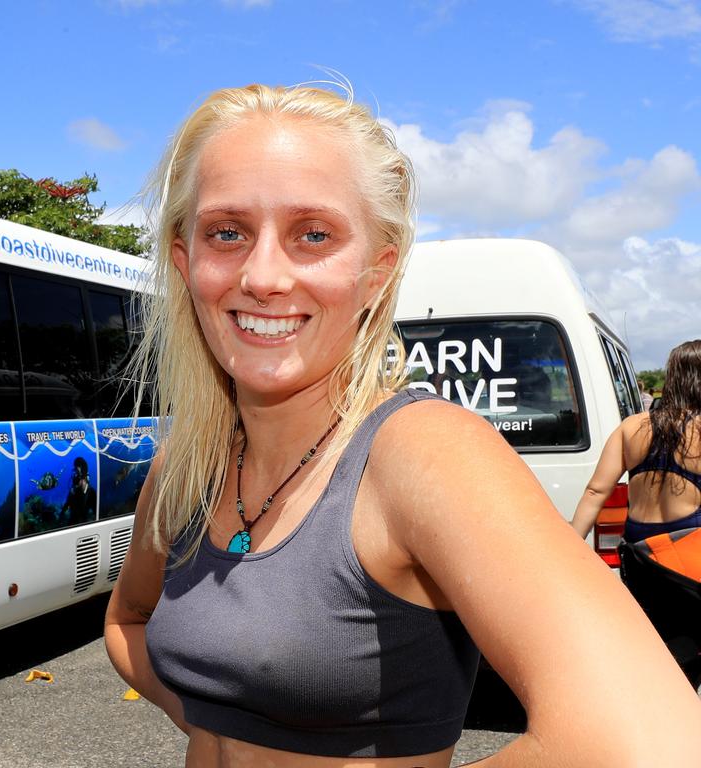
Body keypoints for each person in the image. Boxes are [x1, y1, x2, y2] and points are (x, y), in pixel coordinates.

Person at [104, 84, 701, 767]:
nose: (263, 274)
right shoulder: (187, 461)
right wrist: (223, 724)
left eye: (313, 235)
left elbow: (655, 741)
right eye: (228, 233)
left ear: (376, 274)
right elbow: (127, 621)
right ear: (186, 263)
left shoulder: (423, 451)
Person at [572, 340, 701, 544]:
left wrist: (573, 547)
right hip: (691, 558)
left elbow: (595, 491)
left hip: (640, 556)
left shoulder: (630, 426)